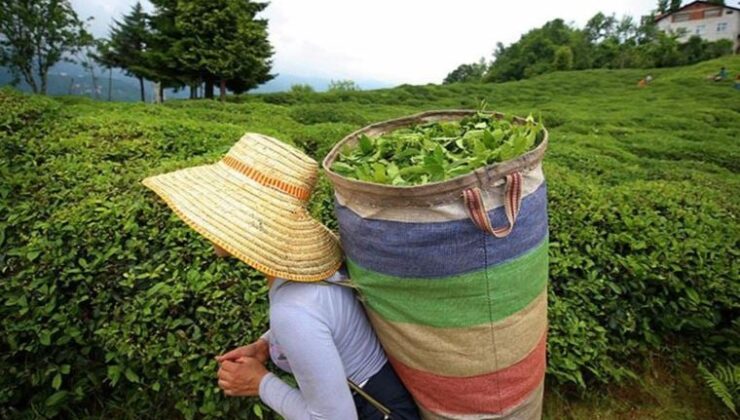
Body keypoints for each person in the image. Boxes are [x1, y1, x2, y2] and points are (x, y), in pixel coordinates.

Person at [142, 133, 420, 420]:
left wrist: (260, 383)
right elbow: (326, 321)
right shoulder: (309, 278)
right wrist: (266, 344)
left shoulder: (292, 311)